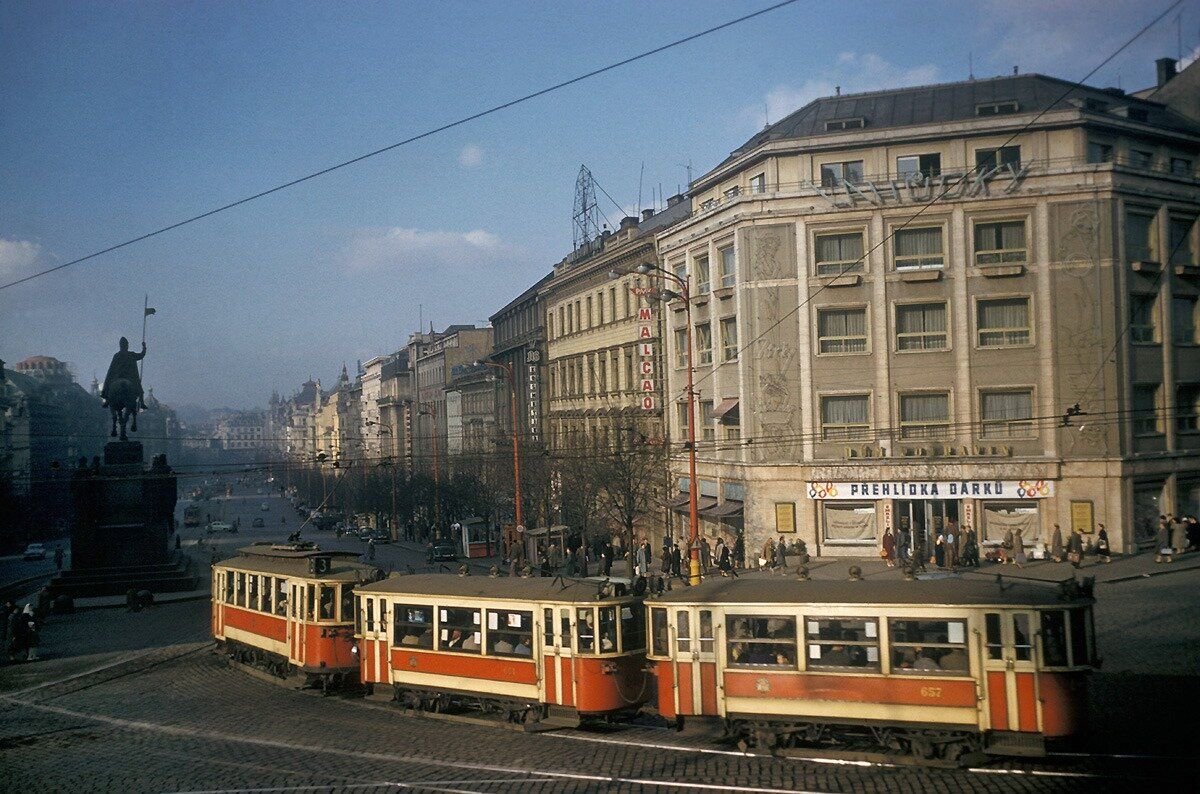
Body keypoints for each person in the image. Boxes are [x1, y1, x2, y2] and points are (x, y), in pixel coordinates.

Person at [100, 336, 147, 410]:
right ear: (126, 345)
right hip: (130, 377)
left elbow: (111, 369)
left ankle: (107, 399)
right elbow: (141, 355)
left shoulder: (116, 355)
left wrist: (111, 376)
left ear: (120, 345)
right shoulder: (131, 354)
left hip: (117, 377)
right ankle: (142, 402)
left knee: (108, 382)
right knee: (139, 389)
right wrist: (144, 347)